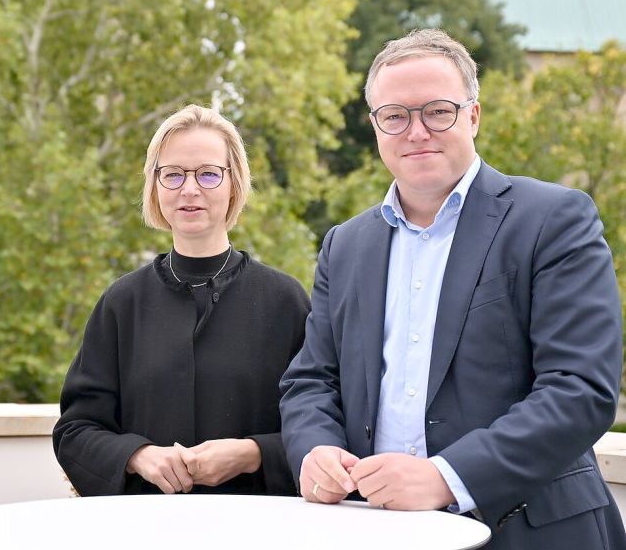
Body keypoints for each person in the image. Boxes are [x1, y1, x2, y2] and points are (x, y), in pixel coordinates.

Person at [279, 29, 625, 549]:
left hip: (526, 531)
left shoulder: (553, 219)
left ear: (473, 116)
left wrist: (446, 476)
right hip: (375, 530)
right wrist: (315, 450)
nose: (415, 130)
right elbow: (311, 381)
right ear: (376, 127)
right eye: (395, 115)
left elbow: (580, 389)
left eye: (437, 111)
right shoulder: (345, 245)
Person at [53, 104, 310, 496]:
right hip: (144, 530)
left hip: (256, 528)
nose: (190, 190)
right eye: (173, 175)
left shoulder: (284, 302)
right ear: (155, 186)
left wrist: (252, 453)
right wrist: (137, 455)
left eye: (208, 174)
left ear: (234, 184)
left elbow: (320, 425)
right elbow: (75, 431)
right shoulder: (122, 304)